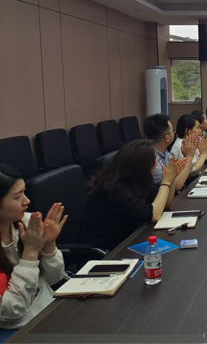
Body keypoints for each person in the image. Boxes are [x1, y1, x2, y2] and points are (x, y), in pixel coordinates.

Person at [80, 140, 180, 252]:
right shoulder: (116, 188)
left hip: (129, 237)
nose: (157, 165)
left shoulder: (137, 180)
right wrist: (166, 181)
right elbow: (154, 215)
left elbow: (166, 204)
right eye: (155, 161)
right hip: (109, 249)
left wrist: (171, 180)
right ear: (142, 167)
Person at [0, 165, 66, 331]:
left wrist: (48, 245)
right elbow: (11, 310)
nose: (27, 201)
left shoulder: (27, 223)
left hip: (49, 310)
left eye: (24, 192)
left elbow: (53, 279)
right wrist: (30, 253)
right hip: (17, 329)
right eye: (17, 196)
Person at [144, 114, 195, 191]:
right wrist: (189, 156)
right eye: (173, 131)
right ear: (167, 138)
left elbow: (175, 175)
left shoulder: (164, 151)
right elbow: (176, 186)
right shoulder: (151, 158)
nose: (174, 133)